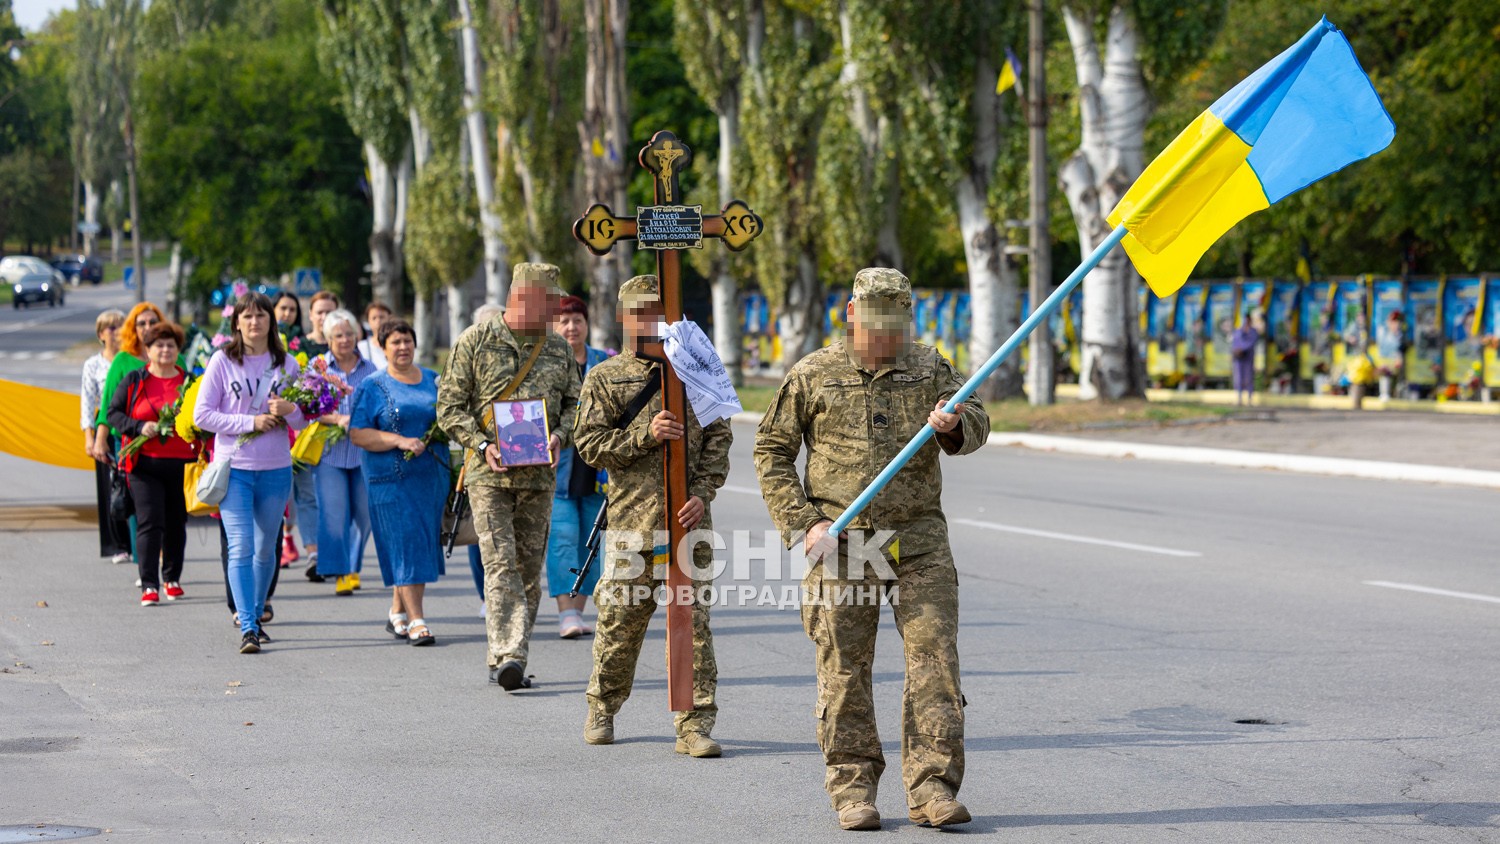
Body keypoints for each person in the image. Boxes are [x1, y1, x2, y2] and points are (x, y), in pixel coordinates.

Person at [753, 268, 990, 831]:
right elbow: (771, 450)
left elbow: (978, 424)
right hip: (846, 542)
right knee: (845, 668)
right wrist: (804, 524)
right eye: (876, 320)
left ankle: (932, 788)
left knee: (935, 662)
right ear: (853, 313)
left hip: (918, 542)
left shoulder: (930, 366)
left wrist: (954, 425)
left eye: (897, 321)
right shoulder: (814, 372)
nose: (886, 333)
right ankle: (853, 788)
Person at [573, 275, 731, 757]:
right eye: (639, 312)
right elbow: (589, 445)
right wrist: (645, 436)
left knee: (692, 626)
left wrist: (703, 492)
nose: (649, 321)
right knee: (619, 623)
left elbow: (719, 437)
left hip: (687, 525)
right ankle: (602, 708)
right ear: (623, 317)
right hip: (632, 526)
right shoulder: (606, 376)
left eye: (657, 312)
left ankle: (694, 725)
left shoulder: (696, 369)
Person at [436, 262, 580, 691]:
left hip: (539, 477)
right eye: (550, 302)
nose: (556, 311)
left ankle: (507, 654)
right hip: (489, 475)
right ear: (524, 298)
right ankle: (509, 655)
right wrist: (482, 445)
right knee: (500, 564)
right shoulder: (475, 341)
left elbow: (576, 405)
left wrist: (560, 435)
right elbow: (449, 407)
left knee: (528, 571)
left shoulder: (558, 348)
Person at [195, 292, 305, 655]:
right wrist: (250, 422)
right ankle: (247, 626)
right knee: (240, 547)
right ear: (236, 323)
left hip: (276, 469)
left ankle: (257, 614)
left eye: (261, 316)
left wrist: (290, 410)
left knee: (265, 548)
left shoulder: (287, 364)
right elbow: (202, 415)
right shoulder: (222, 361)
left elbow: (303, 421)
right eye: (247, 316)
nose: (254, 322)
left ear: (272, 322)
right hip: (235, 470)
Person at [349, 320, 448, 646]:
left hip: (430, 478)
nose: (403, 347)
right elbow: (358, 433)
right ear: (382, 347)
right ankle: (417, 620)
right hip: (390, 480)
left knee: (418, 543)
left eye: (407, 341)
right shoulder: (372, 386)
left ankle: (397, 612)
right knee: (405, 545)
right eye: (395, 342)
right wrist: (398, 440)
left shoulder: (433, 380)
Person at [107, 322, 200, 606]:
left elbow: (204, 414)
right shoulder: (135, 380)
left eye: (171, 345)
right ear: (147, 350)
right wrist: (138, 426)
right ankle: (149, 585)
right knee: (150, 522)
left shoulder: (189, 382)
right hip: (144, 464)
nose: (165, 350)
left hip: (182, 464)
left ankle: (172, 579)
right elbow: (113, 413)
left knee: (176, 523)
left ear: (178, 350)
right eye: (158, 345)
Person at [548, 295, 609, 638]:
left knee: (592, 541)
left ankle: (578, 610)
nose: (572, 327)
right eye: (564, 321)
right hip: (558, 466)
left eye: (578, 320)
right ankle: (565, 612)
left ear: (587, 324)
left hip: (597, 468)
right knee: (562, 538)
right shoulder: (546, 363)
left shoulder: (604, 363)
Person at [312, 309, 377, 596]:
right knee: (335, 515)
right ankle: (342, 572)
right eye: (338, 335)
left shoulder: (370, 369)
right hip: (330, 453)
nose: (345, 339)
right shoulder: (318, 368)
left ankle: (352, 564)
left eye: (349, 334)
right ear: (328, 338)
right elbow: (308, 408)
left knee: (364, 515)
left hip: (364, 453)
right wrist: (337, 418)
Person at [284, 297, 334, 570]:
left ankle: (331, 548)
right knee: (306, 493)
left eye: (330, 311)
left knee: (329, 496)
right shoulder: (297, 347)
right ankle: (313, 551)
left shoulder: (343, 344)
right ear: (311, 315)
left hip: (336, 434)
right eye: (320, 311)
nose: (324, 316)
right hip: (304, 432)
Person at [82, 308, 132, 565]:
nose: (117, 332)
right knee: (112, 487)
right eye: (111, 328)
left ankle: (140, 541)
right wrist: (89, 437)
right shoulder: (94, 365)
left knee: (135, 485)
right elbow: (87, 402)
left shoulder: (132, 358)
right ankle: (119, 544)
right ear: (101, 334)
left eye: (121, 326)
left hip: (131, 426)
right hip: (107, 429)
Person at [1231, 311, 1262, 406]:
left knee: (1249, 378)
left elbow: (1252, 342)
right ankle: (1239, 398)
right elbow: (1235, 343)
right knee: (1239, 378)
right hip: (1239, 358)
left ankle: (1249, 399)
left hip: (1248, 357)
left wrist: (1242, 349)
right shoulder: (1238, 331)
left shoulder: (1253, 331)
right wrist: (1237, 350)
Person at [357, 301, 392, 369]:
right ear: (368, 321)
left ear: (389, 318)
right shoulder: (361, 347)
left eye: (381, 317)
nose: (378, 321)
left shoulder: (398, 344)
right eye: (374, 318)